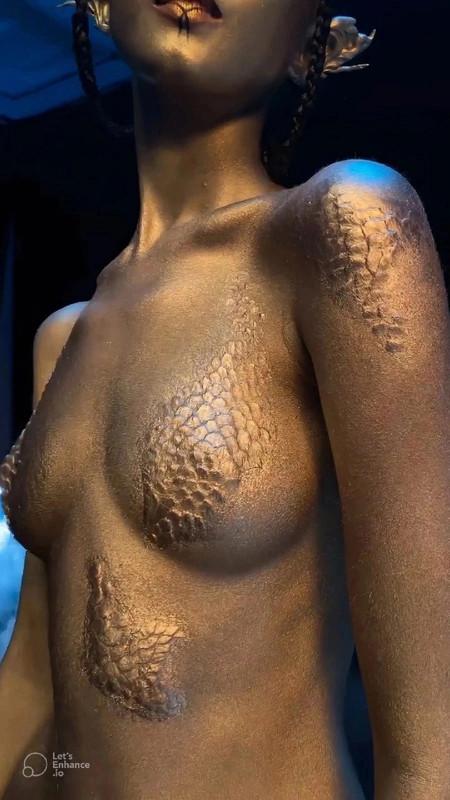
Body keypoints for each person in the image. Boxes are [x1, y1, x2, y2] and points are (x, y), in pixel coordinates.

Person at [0, 0, 449, 798]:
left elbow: (426, 756)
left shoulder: (339, 230)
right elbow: (33, 683)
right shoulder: (61, 341)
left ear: (310, 44)